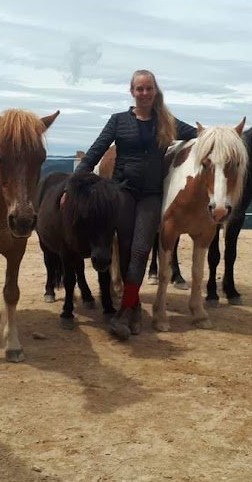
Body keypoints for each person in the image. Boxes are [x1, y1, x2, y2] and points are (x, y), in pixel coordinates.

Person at [74, 69, 197, 340]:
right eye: (139, 89)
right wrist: (74, 183)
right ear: (132, 92)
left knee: (141, 250)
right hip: (123, 193)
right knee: (127, 249)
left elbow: (199, 134)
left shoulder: (166, 121)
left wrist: (226, 136)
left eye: (148, 88)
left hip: (151, 196)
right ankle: (133, 307)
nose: (144, 93)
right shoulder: (118, 121)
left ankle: (126, 310)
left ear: (155, 91)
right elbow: (95, 151)